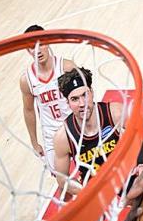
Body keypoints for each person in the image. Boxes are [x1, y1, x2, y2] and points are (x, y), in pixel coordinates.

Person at [53, 67, 124, 196]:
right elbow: (62, 179)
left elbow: (138, 133)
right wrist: (86, 192)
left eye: (85, 95)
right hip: (94, 188)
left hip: (124, 175)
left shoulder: (115, 113)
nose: (82, 104)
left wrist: (140, 163)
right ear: (67, 102)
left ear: (92, 92)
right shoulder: (63, 137)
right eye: (75, 99)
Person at [20, 25, 76, 171]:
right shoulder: (27, 80)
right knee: (61, 179)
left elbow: (86, 93)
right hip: (52, 135)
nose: (37, 50)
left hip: (75, 126)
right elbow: (28, 110)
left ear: (49, 41)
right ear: (27, 50)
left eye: (41, 44)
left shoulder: (66, 67)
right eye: (32, 47)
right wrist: (34, 142)